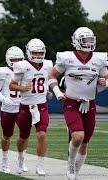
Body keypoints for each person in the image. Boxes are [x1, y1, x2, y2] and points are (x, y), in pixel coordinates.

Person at [47, 27, 108, 180]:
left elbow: (106, 78)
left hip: (90, 104)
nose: (88, 44)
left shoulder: (99, 59)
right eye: (85, 40)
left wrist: (105, 82)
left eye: (90, 40)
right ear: (76, 41)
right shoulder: (67, 58)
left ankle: (75, 172)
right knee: (78, 137)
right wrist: (58, 93)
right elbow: (51, 75)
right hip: (71, 103)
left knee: (85, 142)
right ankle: (70, 164)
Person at [9, 38, 53, 176]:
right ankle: (21, 159)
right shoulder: (22, 66)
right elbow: (12, 85)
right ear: (29, 52)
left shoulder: (47, 65)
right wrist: (22, 87)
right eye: (35, 53)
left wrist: (47, 91)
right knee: (23, 137)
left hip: (41, 105)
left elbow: (46, 81)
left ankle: (40, 164)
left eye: (40, 53)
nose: (38, 56)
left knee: (42, 134)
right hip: (25, 106)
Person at [0, 46, 29, 173]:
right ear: (8, 60)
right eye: (14, 59)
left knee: (25, 135)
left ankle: (21, 159)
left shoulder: (26, 70)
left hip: (23, 106)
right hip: (8, 108)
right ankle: (5, 160)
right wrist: (3, 98)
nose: (17, 62)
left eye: (19, 59)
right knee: (7, 135)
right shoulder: (4, 72)